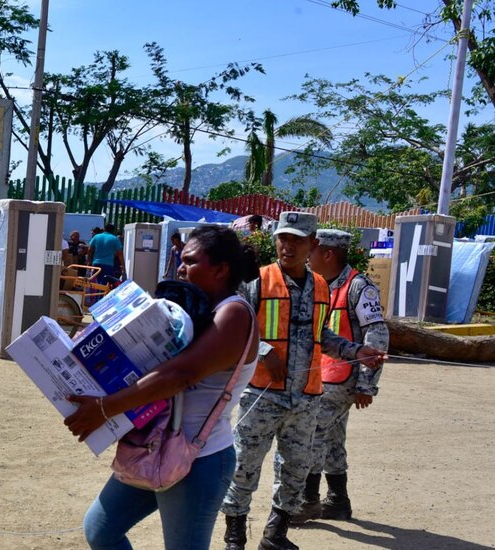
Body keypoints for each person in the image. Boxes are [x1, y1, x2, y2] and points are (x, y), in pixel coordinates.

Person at [66, 226, 261, 550]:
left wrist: (103, 409)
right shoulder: (196, 311)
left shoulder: (234, 314)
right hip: (154, 445)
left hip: (198, 458)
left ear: (221, 269)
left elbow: (179, 375)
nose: (181, 268)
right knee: (100, 531)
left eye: (190, 261)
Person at [220, 212, 386, 550]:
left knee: (296, 469)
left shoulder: (321, 286)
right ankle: (235, 536)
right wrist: (264, 351)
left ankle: (275, 533)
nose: (288, 246)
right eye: (283, 238)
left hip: (307, 398)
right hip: (262, 396)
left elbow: (321, 335)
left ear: (313, 244)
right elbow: (233, 327)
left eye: (297, 239)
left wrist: (358, 350)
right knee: (243, 466)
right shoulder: (257, 281)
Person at [294, 229, 389, 523]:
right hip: (324, 377)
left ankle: (307, 501)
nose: (307, 257)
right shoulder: (319, 284)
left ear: (327, 254)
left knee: (311, 434)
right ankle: (338, 501)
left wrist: (366, 384)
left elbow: (377, 334)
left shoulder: (359, 287)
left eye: (312, 251)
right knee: (333, 438)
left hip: (343, 379)